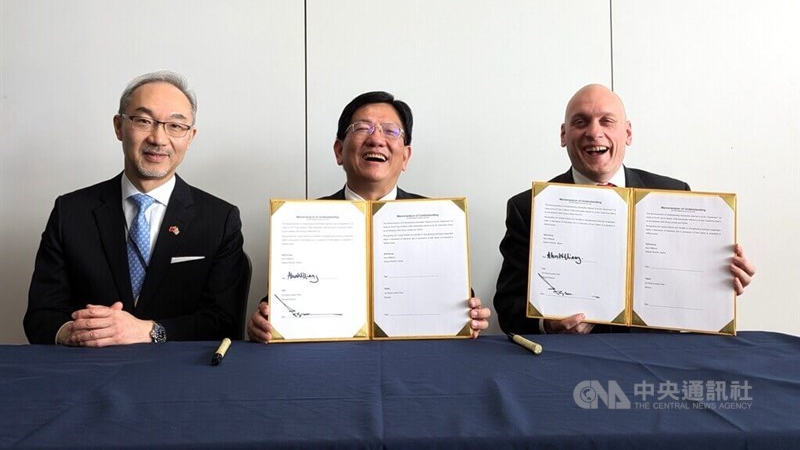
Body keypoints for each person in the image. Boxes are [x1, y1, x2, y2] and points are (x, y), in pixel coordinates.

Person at [494, 83, 756, 335]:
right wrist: (549, 326)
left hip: (657, 358)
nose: (594, 132)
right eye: (580, 121)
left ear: (628, 133)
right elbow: (508, 310)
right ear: (564, 134)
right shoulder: (527, 208)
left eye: (607, 121)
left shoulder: (675, 195)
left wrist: (720, 282)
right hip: (571, 358)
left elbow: (691, 288)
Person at [24, 71, 249, 346]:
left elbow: (225, 323)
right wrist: (75, 332)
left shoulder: (219, 219)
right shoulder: (70, 212)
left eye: (175, 126)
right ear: (119, 126)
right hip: (88, 367)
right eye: (144, 121)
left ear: (190, 137)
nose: (158, 138)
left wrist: (149, 331)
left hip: (181, 375)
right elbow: (40, 317)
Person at [247, 91, 491, 342]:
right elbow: (281, 305)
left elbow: (458, 306)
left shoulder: (438, 219)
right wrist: (262, 324)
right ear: (339, 151)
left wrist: (469, 318)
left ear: (405, 156)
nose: (376, 139)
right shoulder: (302, 221)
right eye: (363, 127)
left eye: (390, 130)